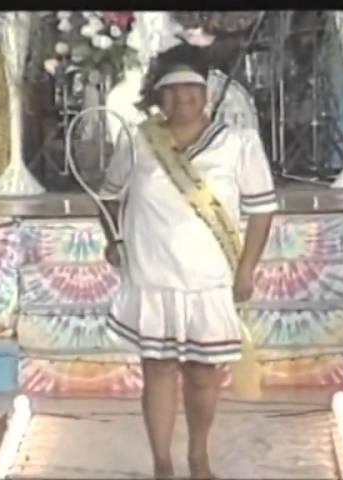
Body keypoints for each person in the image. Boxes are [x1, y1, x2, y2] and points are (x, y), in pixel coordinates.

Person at [99, 44, 278, 479]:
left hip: (209, 279)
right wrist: (114, 239)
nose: (183, 98)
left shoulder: (239, 143)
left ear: (206, 94)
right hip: (153, 277)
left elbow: (262, 208)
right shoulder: (139, 140)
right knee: (157, 370)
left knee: (201, 374)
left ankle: (199, 456)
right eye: (173, 91)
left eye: (191, 89)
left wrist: (247, 267)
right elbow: (107, 197)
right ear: (158, 97)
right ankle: (162, 463)